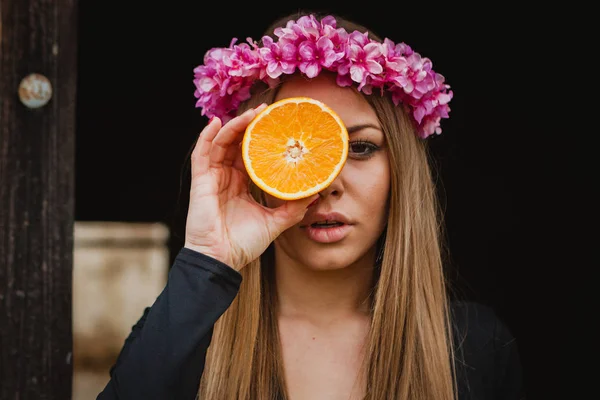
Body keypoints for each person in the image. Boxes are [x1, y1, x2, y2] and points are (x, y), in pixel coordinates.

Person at [97, 10, 524, 400]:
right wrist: (207, 259)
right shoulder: (184, 335)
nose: (325, 185)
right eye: (292, 147)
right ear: (249, 163)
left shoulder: (475, 347)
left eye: (359, 147)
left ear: (402, 170)